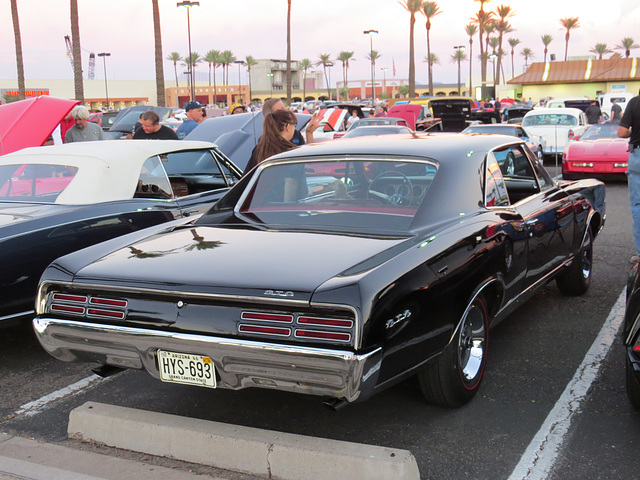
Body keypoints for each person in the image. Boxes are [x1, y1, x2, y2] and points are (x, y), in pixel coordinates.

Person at [619, 90, 640, 263]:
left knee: (638, 206)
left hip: (638, 157)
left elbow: (621, 132)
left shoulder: (634, 103)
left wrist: (632, 133)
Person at [245, 109, 298, 174]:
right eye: (294, 125)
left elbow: (247, 178)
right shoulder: (291, 151)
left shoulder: (259, 149)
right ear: (287, 126)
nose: (294, 129)